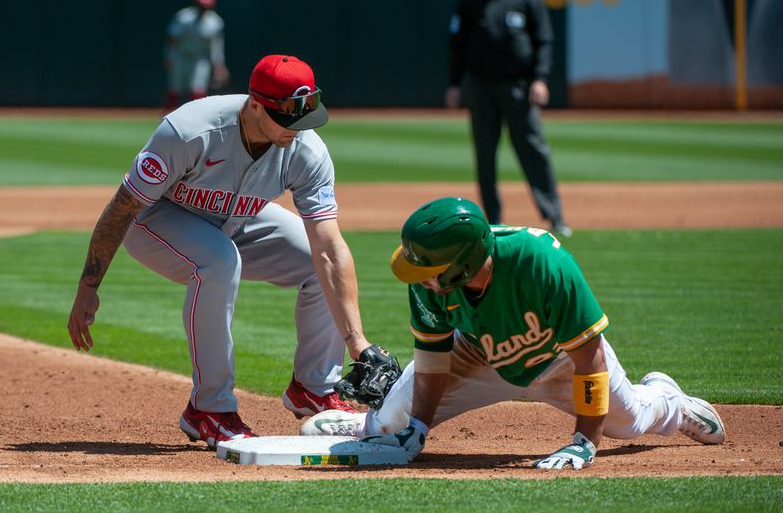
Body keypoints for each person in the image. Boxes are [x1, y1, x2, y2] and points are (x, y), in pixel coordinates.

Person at [68, 54, 391, 447]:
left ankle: (314, 387)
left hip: (234, 219)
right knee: (218, 261)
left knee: (312, 259)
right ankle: (209, 408)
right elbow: (123, 207)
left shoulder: (306, 148)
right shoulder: (189, 131)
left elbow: (329, 248)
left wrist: (358, 342)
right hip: (156, 220)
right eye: (287, 117)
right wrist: (89, 287)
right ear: (255, 105)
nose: (298, 129)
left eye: (304, 117)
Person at [301, 197, 726, 470]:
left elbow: (590, 359)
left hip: (560, 359)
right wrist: (416, 425)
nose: (418, 277)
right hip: (476, 355)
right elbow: (432, 360)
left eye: (428, 270)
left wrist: (584, 444)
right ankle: (366, 425)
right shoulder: (428, 282)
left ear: (460, 265)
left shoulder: (542, 263)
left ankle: (672, 402)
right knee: (394, 428)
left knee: (630, 423)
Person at [445, 0, 570, 237]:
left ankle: (554, 215)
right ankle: (493, 220)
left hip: (519, 86)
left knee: (532, 148)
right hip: (480, 86)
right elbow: (457, 43)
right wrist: (454, 83)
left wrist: (540, 78)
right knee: (485, 154)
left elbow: (544, 40)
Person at [163, 0, 230, 112]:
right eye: (201, 5)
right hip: (180, 55)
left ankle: (197, 119)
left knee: (198, 89)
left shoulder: (215, 22)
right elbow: (172, 38)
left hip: (199, 57)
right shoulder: (184, 17)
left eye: (205, 6)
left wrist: (219, 66)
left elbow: (216, 47)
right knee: (174, 88)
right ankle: (167, 117)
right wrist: (169, 55)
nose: (203, 8)